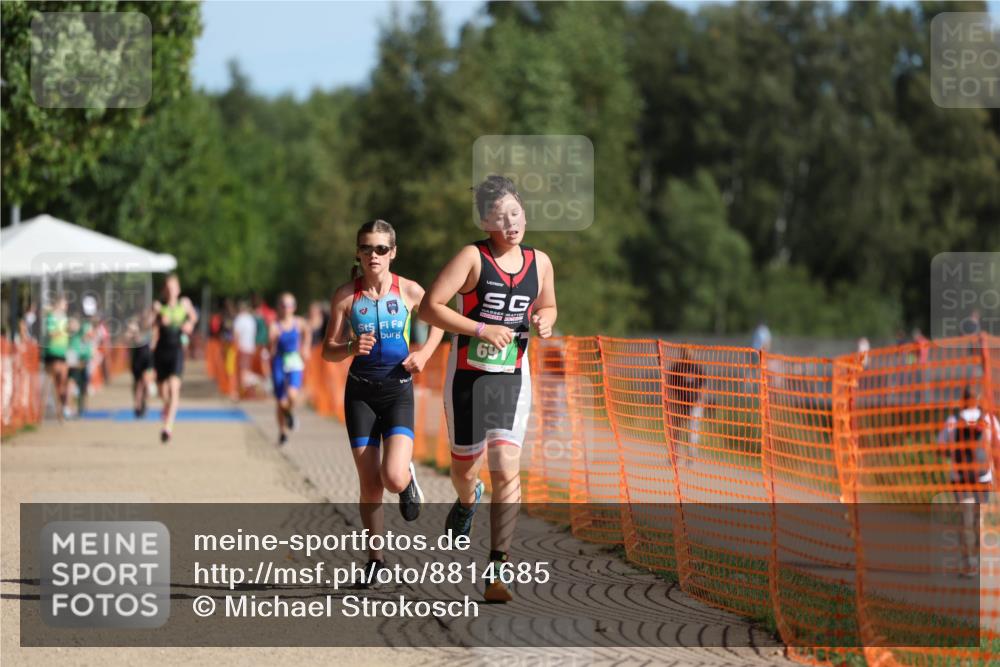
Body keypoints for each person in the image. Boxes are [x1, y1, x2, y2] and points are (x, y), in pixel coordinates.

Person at [420, 175, 558, 603]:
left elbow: (548, 302)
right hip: (467, 374)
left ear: (526, 216)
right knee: (464, 470)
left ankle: (497, 569)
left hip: (512, 377)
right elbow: (430, 307)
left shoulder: (541, 263)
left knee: (504, 464)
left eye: (516, 213)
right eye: (500, 216)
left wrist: (546, 320)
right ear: (485, 221)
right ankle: (466, 501)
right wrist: (481, 328)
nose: (511, 223)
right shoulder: (472, 258)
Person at [322, 219, 444, 585]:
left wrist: (425, 353)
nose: (372, 255)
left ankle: (406, 483)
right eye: (366, 248)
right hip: (360, 393)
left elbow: (440, 317)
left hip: (397, 391)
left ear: (392, 252)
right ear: (357, 252)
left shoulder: (408, 291)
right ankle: (375, 559)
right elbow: (327, 351)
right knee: (369, 484)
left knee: (391, 476)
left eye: (380, 249)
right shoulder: (346, 296)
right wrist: (347, 348)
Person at [937, 386, 998, 577]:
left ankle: (970, 564)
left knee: (966, 520)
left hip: (960, 478)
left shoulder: (953, 420)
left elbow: (940, 447)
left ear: (963, 399)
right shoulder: (988, 419)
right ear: (978, 399)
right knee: (981, 521)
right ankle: (984, 562)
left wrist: (955, 453)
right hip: (983, 478)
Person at [151, 274, 198, 443]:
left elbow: (193, 317)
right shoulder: (158, 307)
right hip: (161, 352)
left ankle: (168, 427)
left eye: (174, 287)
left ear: (178, 289)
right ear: (165, 290)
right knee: (163, 392)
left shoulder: (184, 304)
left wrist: (190, 325)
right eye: (168, 288)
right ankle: (166, 407)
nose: (171, 291)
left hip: (176, 351)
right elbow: (151, 326)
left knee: (174, 387)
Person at [270, 293, 311, 445]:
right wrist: (272, 341)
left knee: (292, 395)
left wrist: (306, 346)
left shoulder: (299, 322)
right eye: (282, 305)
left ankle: (290, 413)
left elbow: (308, 331)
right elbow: (270, 348)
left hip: (294, 360)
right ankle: (282, 432)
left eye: (288, 305)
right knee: (280, 401)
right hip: (279, 362)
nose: (285, 308)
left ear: (294, 307)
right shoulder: (274, 326)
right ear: (278, 307)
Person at [42, 296, 71, 422]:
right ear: (59, 304)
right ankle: (50, 412)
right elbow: (51, 333)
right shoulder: (52, 317)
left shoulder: (64, 317)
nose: (67, 306)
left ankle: (62, 410)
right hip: (52, 352)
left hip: (63, 352)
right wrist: (62, 330)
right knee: (53, 384)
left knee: (63, 383)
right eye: (65, 303)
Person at [66, 311, 96, 417]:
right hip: (74, 356)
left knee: (82, 385)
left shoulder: (86, 326)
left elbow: (89, 338)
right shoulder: (79, 328)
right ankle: (68, 408)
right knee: (72, 382)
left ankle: (80, 408)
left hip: (84, 358)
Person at [126, 313, 155, 418]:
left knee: (146, 383)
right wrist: (132, 331)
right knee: (138, 384)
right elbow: (129, 340)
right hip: (137, 359)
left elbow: (154, 343)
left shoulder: (152, 330)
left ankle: (144, 404)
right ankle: (137, 406)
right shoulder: (135, 329)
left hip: (148, 360)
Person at [232, 301, 258, 400]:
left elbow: (236, 334)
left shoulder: (240, 319)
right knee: (246, 370)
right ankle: (247, 390)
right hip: (250, 348)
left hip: (242, 348)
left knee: (242, 371)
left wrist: (236, 345)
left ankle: (242, 392)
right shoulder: (251, 319)